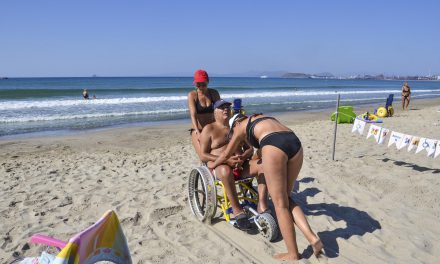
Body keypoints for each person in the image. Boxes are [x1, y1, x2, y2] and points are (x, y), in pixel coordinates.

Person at [209, 113, 323, 261]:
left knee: (280, 205)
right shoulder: (262, 118)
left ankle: (293, 253)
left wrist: (212, 164)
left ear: (235, 124)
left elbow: (225, 154)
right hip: (294, 142)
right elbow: (261, 151)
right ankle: (312, 238)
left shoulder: (239, 127)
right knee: (286, 199)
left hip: (273, 143)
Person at [199, 100, 269, 230]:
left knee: (263, 166)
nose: (226, 109)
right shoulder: (209, 129)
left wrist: (243, 157)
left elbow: (250, 149)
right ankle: (238, 211)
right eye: (221, 107)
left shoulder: (237, 127)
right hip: (219, 167)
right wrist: (226, 160)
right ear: (215, 112)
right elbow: (203, 155)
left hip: (240, 166)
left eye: (227, 107)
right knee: (225, 170)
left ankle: (262, 204)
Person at [187, 69, 220, 159]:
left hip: (212, 129)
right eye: (198, 84)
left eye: (203, 84)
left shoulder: (214, 93)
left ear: (208, 82)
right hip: (199, 130)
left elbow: (219, 110)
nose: (201, 87)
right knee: (204, 157)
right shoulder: (192, 95)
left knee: (215, 153)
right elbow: (193, 115)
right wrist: (197, 132)